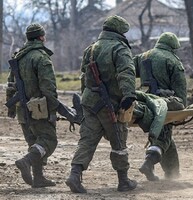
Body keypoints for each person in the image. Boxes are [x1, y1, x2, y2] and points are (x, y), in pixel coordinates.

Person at [65, 15, 137, 193]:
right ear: (120, 32)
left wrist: (85, 99)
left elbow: (84, 77)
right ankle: (123, 181)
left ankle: (74, 175)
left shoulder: (90, 49)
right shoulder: (120, 49)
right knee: (119, 141)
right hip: (110, 105)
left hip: (90, 103)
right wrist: (129, 95)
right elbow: (126, 72)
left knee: (87, 141)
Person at [6, 23, 59, 188]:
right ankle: (26, 161)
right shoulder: (41, 57)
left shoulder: (18, 57)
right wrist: (53, 107)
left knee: (34, 142)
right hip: (39, 109)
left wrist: (10, 108)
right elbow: (48, 86)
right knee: (49, 140)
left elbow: (10, 84)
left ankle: (38, 178)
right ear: (41, 37)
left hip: (22, 108)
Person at [134, 32, 187, 181]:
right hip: (163, 105)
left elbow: (127, 70)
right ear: (173, 47)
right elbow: (181, 91)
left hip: (144, 103)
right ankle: (149, 161)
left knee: (165, 135)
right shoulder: (173, 61)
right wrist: (182, 108)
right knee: (163, 136)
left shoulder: (143, 56)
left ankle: (172, 173)